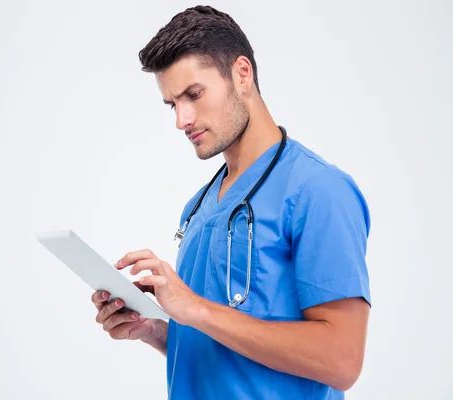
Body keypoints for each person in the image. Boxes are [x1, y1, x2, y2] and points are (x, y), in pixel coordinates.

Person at [90, 5, 371, 399]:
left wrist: (195, 308)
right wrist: (156, 330)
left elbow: (342, 361)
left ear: (242, 73)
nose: (181, 120)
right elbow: (225, 348)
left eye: (193, 94)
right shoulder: (199, 206)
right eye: (173, 104)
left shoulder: (319, 190)